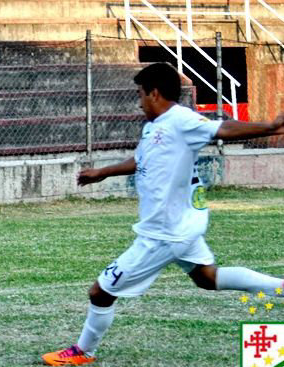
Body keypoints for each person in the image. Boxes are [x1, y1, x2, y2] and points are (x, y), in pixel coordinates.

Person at [41, 62, 284, 366]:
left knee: (100, 292)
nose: (139, 101)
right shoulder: (154, 127)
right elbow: (142, 160)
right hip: (181, 227)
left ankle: (82, 352)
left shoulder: (180, 120)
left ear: (154, 93)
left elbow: (221, 129)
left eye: (141, 94)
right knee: (207, 278)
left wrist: (269, 127)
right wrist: (103, 172)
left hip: (163, 234)